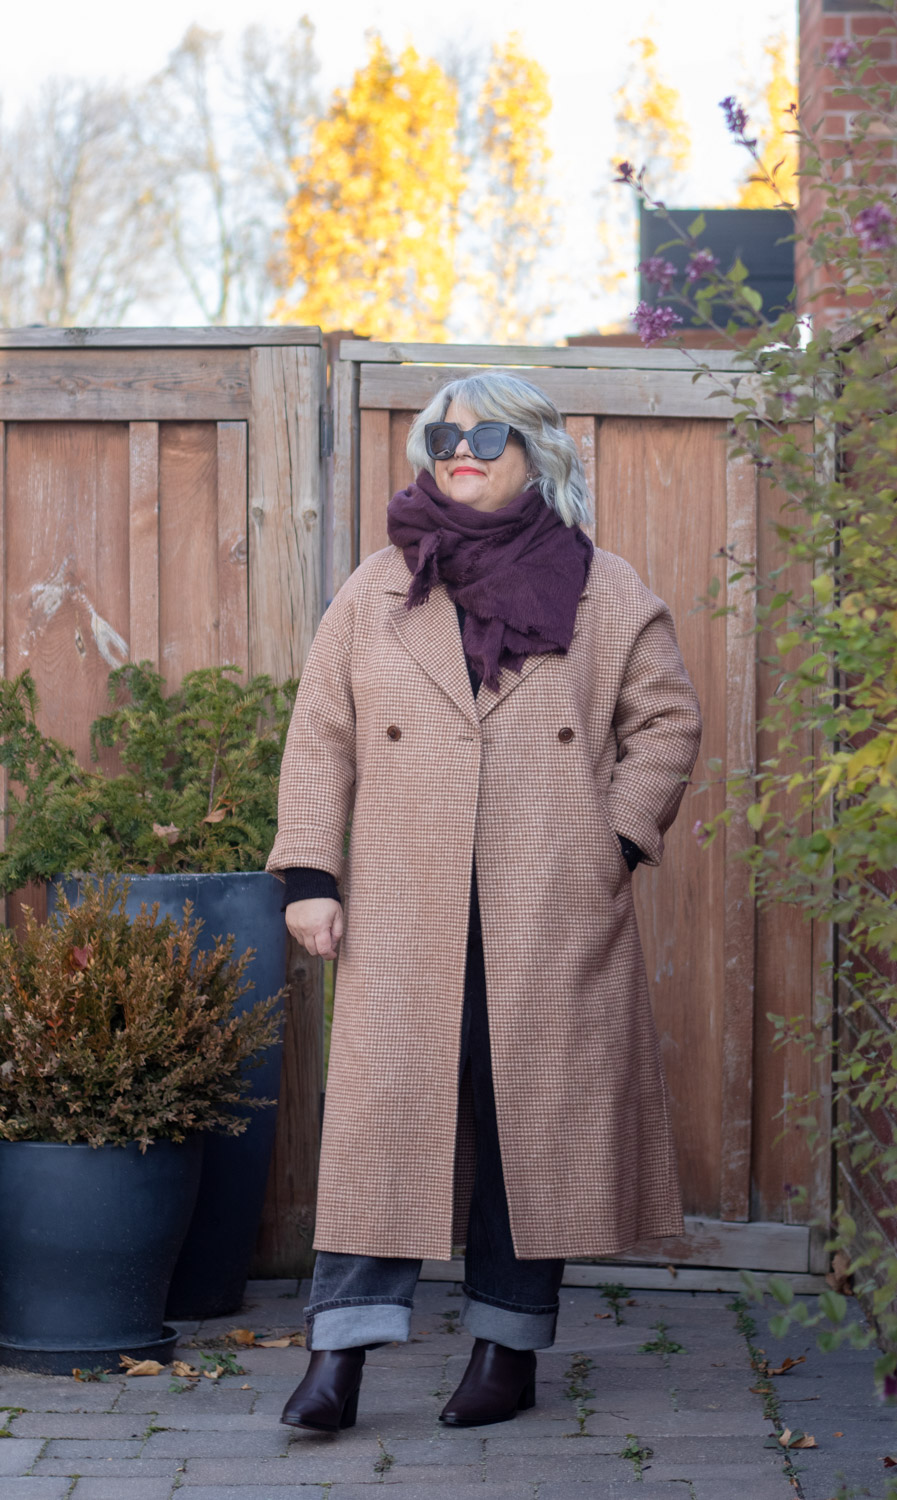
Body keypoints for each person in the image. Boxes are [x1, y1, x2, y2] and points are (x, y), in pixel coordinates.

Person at [266, 370, 703, 1433]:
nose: (460, 450)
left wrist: (612, 841)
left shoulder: (604, 590)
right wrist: (312, 878)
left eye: (487, 434)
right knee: (382, 1126)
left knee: (528, 1130)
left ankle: (507, 1354)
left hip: (548, 901)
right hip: (405, 904)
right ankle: (339, 1360)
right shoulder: (379, 585)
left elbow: (667, 726)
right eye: (443, 435)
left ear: (536, 450)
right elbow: (320, 733)